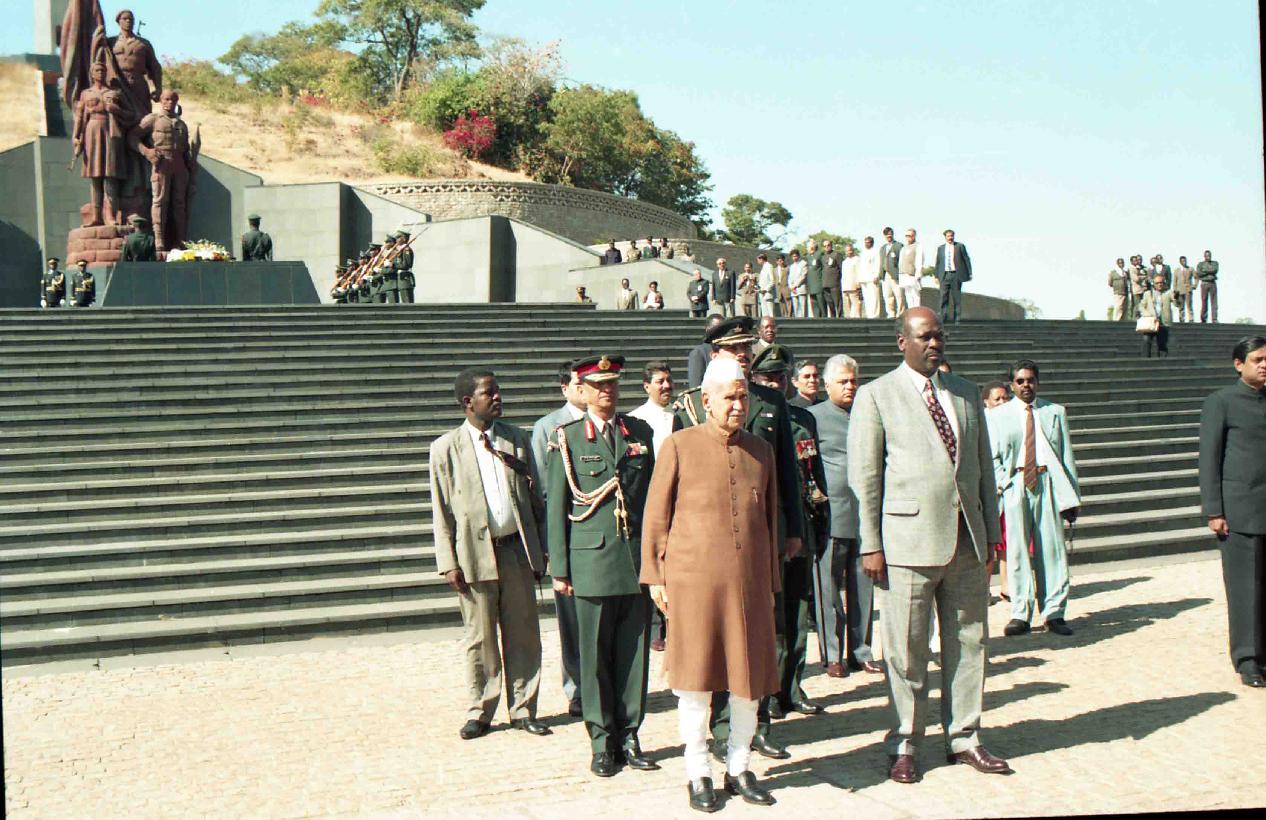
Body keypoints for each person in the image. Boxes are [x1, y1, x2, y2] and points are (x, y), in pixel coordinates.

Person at [847, 307, 1009, 784]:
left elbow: (983, 469)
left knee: (970, 643)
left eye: (939, 336)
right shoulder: (876, 395)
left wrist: (991, 535)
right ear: (902, 342)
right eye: (924, 337)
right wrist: (871, 544)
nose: (934, 344)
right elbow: (866, 477)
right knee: (906, 650)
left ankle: (965, 737)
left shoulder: (965, 393)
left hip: (966, 541)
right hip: (905, 545)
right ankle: (904, 742)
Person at [642, 357, 781, 811]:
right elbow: (656, 516)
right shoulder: (679, 446)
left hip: (749, 587)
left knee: (748, 681)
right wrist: (655, 576)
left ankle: (739, 766)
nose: (737, 405)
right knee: (695, 683)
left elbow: (771, 521)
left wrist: (770, 582)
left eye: (743, 397)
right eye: (728, 398)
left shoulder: (762, 451)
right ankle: (697, 771)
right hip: (693, 585)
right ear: (706, 401)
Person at [671, 316, 805, 760]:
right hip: (708, 549)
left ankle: (756, 726)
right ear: (715, 355)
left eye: (747, 348)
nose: (744, 355)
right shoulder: (691, 407)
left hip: (759, 538)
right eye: (734, 349)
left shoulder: (770, 401)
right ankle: (716, 728)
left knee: (760, 636)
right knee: (713, 643)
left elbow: (786, 474)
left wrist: (793, 531)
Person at [546, 354, 658, 778]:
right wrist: (560, 569)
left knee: (633, 655)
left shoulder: (639, 432)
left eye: (611, 384)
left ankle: (630, 734)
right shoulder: (568, 438)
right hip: (590, 561)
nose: (606, 391)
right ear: (583, 390)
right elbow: (556, 506)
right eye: (597, 385)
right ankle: (601, 740)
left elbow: (652, 498)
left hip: (634, 560)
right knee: (593, 659)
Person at [430, 368, 550, 740]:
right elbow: (441, 511)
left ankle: (523, 708)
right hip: (474, 555)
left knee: (524, 634)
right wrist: (448, 562)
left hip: (516, 550)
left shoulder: (517, 439)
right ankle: (480, 710)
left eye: (497, 391)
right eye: (489, 393)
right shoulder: (445, 448)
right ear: (468, 402)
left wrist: (542, 549)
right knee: (480, 639)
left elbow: (536, 499)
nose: (497, 397)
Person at [749, 344, 827, 727]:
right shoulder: (754, 417)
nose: (776, 384)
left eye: (781, 377)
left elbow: (815, 476)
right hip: (770, 530)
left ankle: (793, 686)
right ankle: (772, 691)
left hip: (802, 525)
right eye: (768, 378)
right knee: (774, 617)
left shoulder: (802, 418)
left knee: (799, 610)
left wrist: (821, 523)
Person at [989, 360, 1080, 636]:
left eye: (1030, 380)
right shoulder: (998, 415)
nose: (1025, 385)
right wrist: (1005, 483)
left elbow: (1066, 456)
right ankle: (1020, 612)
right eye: (1020, 381)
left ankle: (1054, 612)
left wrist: (1071, 497)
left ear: (1037, 382)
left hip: (1047, 480)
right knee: (1017, 550)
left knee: (1052, 549)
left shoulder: (1054, 412)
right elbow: (992, 456)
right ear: (1012, 384)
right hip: (1016, 482)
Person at [1199, 336, 1266, 688]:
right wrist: (1214, 510)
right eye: (1258, 359)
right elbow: (1209, 459)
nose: (1265, 365)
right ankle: (1248, 658)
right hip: (1240, 512)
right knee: (1245, 590)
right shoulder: (1221, 402)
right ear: (1239, 364)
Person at [811, 354, 881, 677]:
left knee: (863, 586)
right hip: (831, 516)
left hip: (866, 515)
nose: (850, 386)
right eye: (842, 381)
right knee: (827, 589)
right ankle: (832, 653)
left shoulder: (868, 413)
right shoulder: (814, 417)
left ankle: (860, 650)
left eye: (853, 381)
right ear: (827, 385)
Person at [531, 362, 588, 718]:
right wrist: (550, 545)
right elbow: (542, 489)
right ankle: (577, 688)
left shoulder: (609, 422)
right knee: (570, 620)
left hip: (601, 535)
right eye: (579, 383)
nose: (586, 389)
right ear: (564, 388)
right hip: (566, 533)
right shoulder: (548, 427)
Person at [628, 361, 675, 654]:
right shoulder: (636, 420)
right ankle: (657, 624)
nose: (666, 386)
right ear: (647, 386)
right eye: (660, 381)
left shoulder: (680, 416)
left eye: (669, 380)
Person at [128, 89, 194, 254]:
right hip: (161, 163)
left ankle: (181, 241)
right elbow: (132, 137)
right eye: (166, 99)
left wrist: (190, 165)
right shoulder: (153, 119)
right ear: (161, 100)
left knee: (180, 204)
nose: (170, 102)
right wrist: (147, 152)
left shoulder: (181, 124)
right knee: (159, 201)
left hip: (179, 165)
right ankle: (159, 241)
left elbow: (186, 149)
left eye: (173, 99)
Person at [72, 61, 133, 226]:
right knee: (95, 177)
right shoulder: (86, 93)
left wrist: (116, 110)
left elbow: (131, 114)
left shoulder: (115, 93)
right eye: (97, 70)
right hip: (92, 132)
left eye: (103, 70)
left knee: (110, 176)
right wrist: (75, 137)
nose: (100, 72)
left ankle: (111, 216)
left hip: (111, 133)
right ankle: (96, 216)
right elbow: (79, 116)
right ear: (92, 74)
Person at [981, 381, 1011, 601]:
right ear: (986, 402)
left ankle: (1007, 585)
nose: (1002, 402)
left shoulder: (1011, 418)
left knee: (1006, 541)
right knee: (987, 543)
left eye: (1005, 398)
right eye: (997, 399)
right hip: (988, 489)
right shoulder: (983, 421)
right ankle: (982, 588)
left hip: (1006, 488)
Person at [934, 230, 972, 324]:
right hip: (944, 275)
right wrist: (936, 276)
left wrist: (969, 273)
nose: (950, 238)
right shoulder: (941, 248)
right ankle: (943, 317)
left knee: (956, 298)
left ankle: (957, 319)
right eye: (948, 236)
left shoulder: (959, 246)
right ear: (945, 237)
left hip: (956, 275)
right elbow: (938, 262)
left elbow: (966, 259)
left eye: (951, 236)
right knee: (943, 297)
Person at [1138, 273, 1173, 358]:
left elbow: (1176, 302)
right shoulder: (1148, 294)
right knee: (1146, 340)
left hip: (1163, 322)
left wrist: (1176, 296)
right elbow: (1141, 306)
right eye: (1157, 283)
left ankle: (1162, 362)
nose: (1160, 284)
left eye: (1161, 282)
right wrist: (1147, 314)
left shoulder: (1168, 293)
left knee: (1162, 344)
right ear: (1154, 284)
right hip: (1151, 322)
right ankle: (1146, 360)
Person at [687, 314, 725, 388]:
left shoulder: (728, 351)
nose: (721, 332)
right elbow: (695, 386)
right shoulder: (699, 353)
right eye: (717, 328)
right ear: (707, 329)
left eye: (723, 329)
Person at [880, 227, 906, 316]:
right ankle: (891, 314)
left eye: (890, 234)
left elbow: (902, 261)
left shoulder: (899, 246)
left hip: (896, 275)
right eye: (887, 235)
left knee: (899, 296)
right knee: (887, 296)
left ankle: (901, 314)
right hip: (886, 275)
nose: (889, 236)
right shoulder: (883, 248)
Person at [898, 229, 925, 310]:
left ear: (914, 236)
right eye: (906, 236)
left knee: (915, 294)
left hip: (913, 274)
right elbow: (901, 262)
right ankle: (911, 311)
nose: (908, 237)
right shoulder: (903, 248)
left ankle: (916, 311)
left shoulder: (918, 246)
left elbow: (919, 261)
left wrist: (918, 274)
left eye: (910, 235)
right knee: (908, 294)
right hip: (904, 274)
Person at [860, 236, 883, 318]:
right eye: (865, 242)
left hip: (872, 278)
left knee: (874, 298)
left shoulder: (876, 251)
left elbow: (878, 264)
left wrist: (877, 275)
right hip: (863, 278)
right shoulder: (863, 252)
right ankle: (869, 315)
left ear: (872, 243)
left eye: (868, 242)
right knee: (866, 298)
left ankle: (875, 316)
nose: (866, 244)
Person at [821, 240, 843, 318]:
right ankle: (833, 319)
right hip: (825, 284)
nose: (827, 247)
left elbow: (841, 268)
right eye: (825, 246)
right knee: (830, 303)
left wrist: (838, 279)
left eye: (828, 245)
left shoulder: (836, 255)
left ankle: (841, 318)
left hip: (835, 283)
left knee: (838, 303)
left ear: (831, 245)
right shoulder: (823, 257)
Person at [1197, 250, 1219, 323]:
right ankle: (1203, 318)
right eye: (1206, 256)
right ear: (1204, 256)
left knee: (1214, 302)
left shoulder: (1215, 263)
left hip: (1212, 283)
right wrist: (1209, 271)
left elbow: (1215, 270)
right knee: (1204, 301)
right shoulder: (1200, 264)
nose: (1208, 257)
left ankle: (1214, 318)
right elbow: (1199, 273)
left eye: (1209, 255)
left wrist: (1205, 271)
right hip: (1204, 283)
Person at [805, 240, 825, 318]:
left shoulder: (819, 254)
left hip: (819, 284)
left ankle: (824, 319)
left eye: (808, 247)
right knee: (814, 305)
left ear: (813, 247)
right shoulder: (807, 257)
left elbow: (823, 268)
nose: (807, 248)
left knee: (821, 305)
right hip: (810, 285)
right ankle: (816, 319)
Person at [394, 230, 415, 303]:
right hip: (401, 278)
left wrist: (393, 265)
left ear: (404, 239)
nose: (396, 239)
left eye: (398, 237)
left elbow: (407, 265)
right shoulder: (400, 250)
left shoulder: (406, 249)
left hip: (405, 278)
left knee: (407, 302)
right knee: (404, 301)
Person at [1173, 255, 1195, 323]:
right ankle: (1181, 318)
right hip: (1179, 290)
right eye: (1182, 261)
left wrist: (1194, 285)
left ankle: (1191, 318)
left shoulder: (1190, 269)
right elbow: (1174, 281)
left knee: (1189, 305)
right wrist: (1175, 290)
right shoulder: (1176, 270)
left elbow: (1196, 277)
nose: (1184, 262)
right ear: (1180, 262)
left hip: (1188, 290)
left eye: (1185, 261)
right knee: (1181, 306)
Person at [787, 250, 808, 318]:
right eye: (793, 256)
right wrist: (791, 287)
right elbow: (789, 278)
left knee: (803, 308)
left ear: (798, 256)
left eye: (795, 256)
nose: (794, 258)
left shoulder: (803, 263)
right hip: (793, 290)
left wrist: (795, 286)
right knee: (796, 309)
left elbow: (803, 276)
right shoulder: (791, 266)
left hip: (801, 288)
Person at [757, 253, 778, 317]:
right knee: (765, 314)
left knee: (771, 314)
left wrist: (765, 289)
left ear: (761, 259)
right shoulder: (763, 268)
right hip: (762, 293)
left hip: (768, 293)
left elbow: (772, 281)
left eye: (758, 260)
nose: (757, 261)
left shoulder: (769, 266)